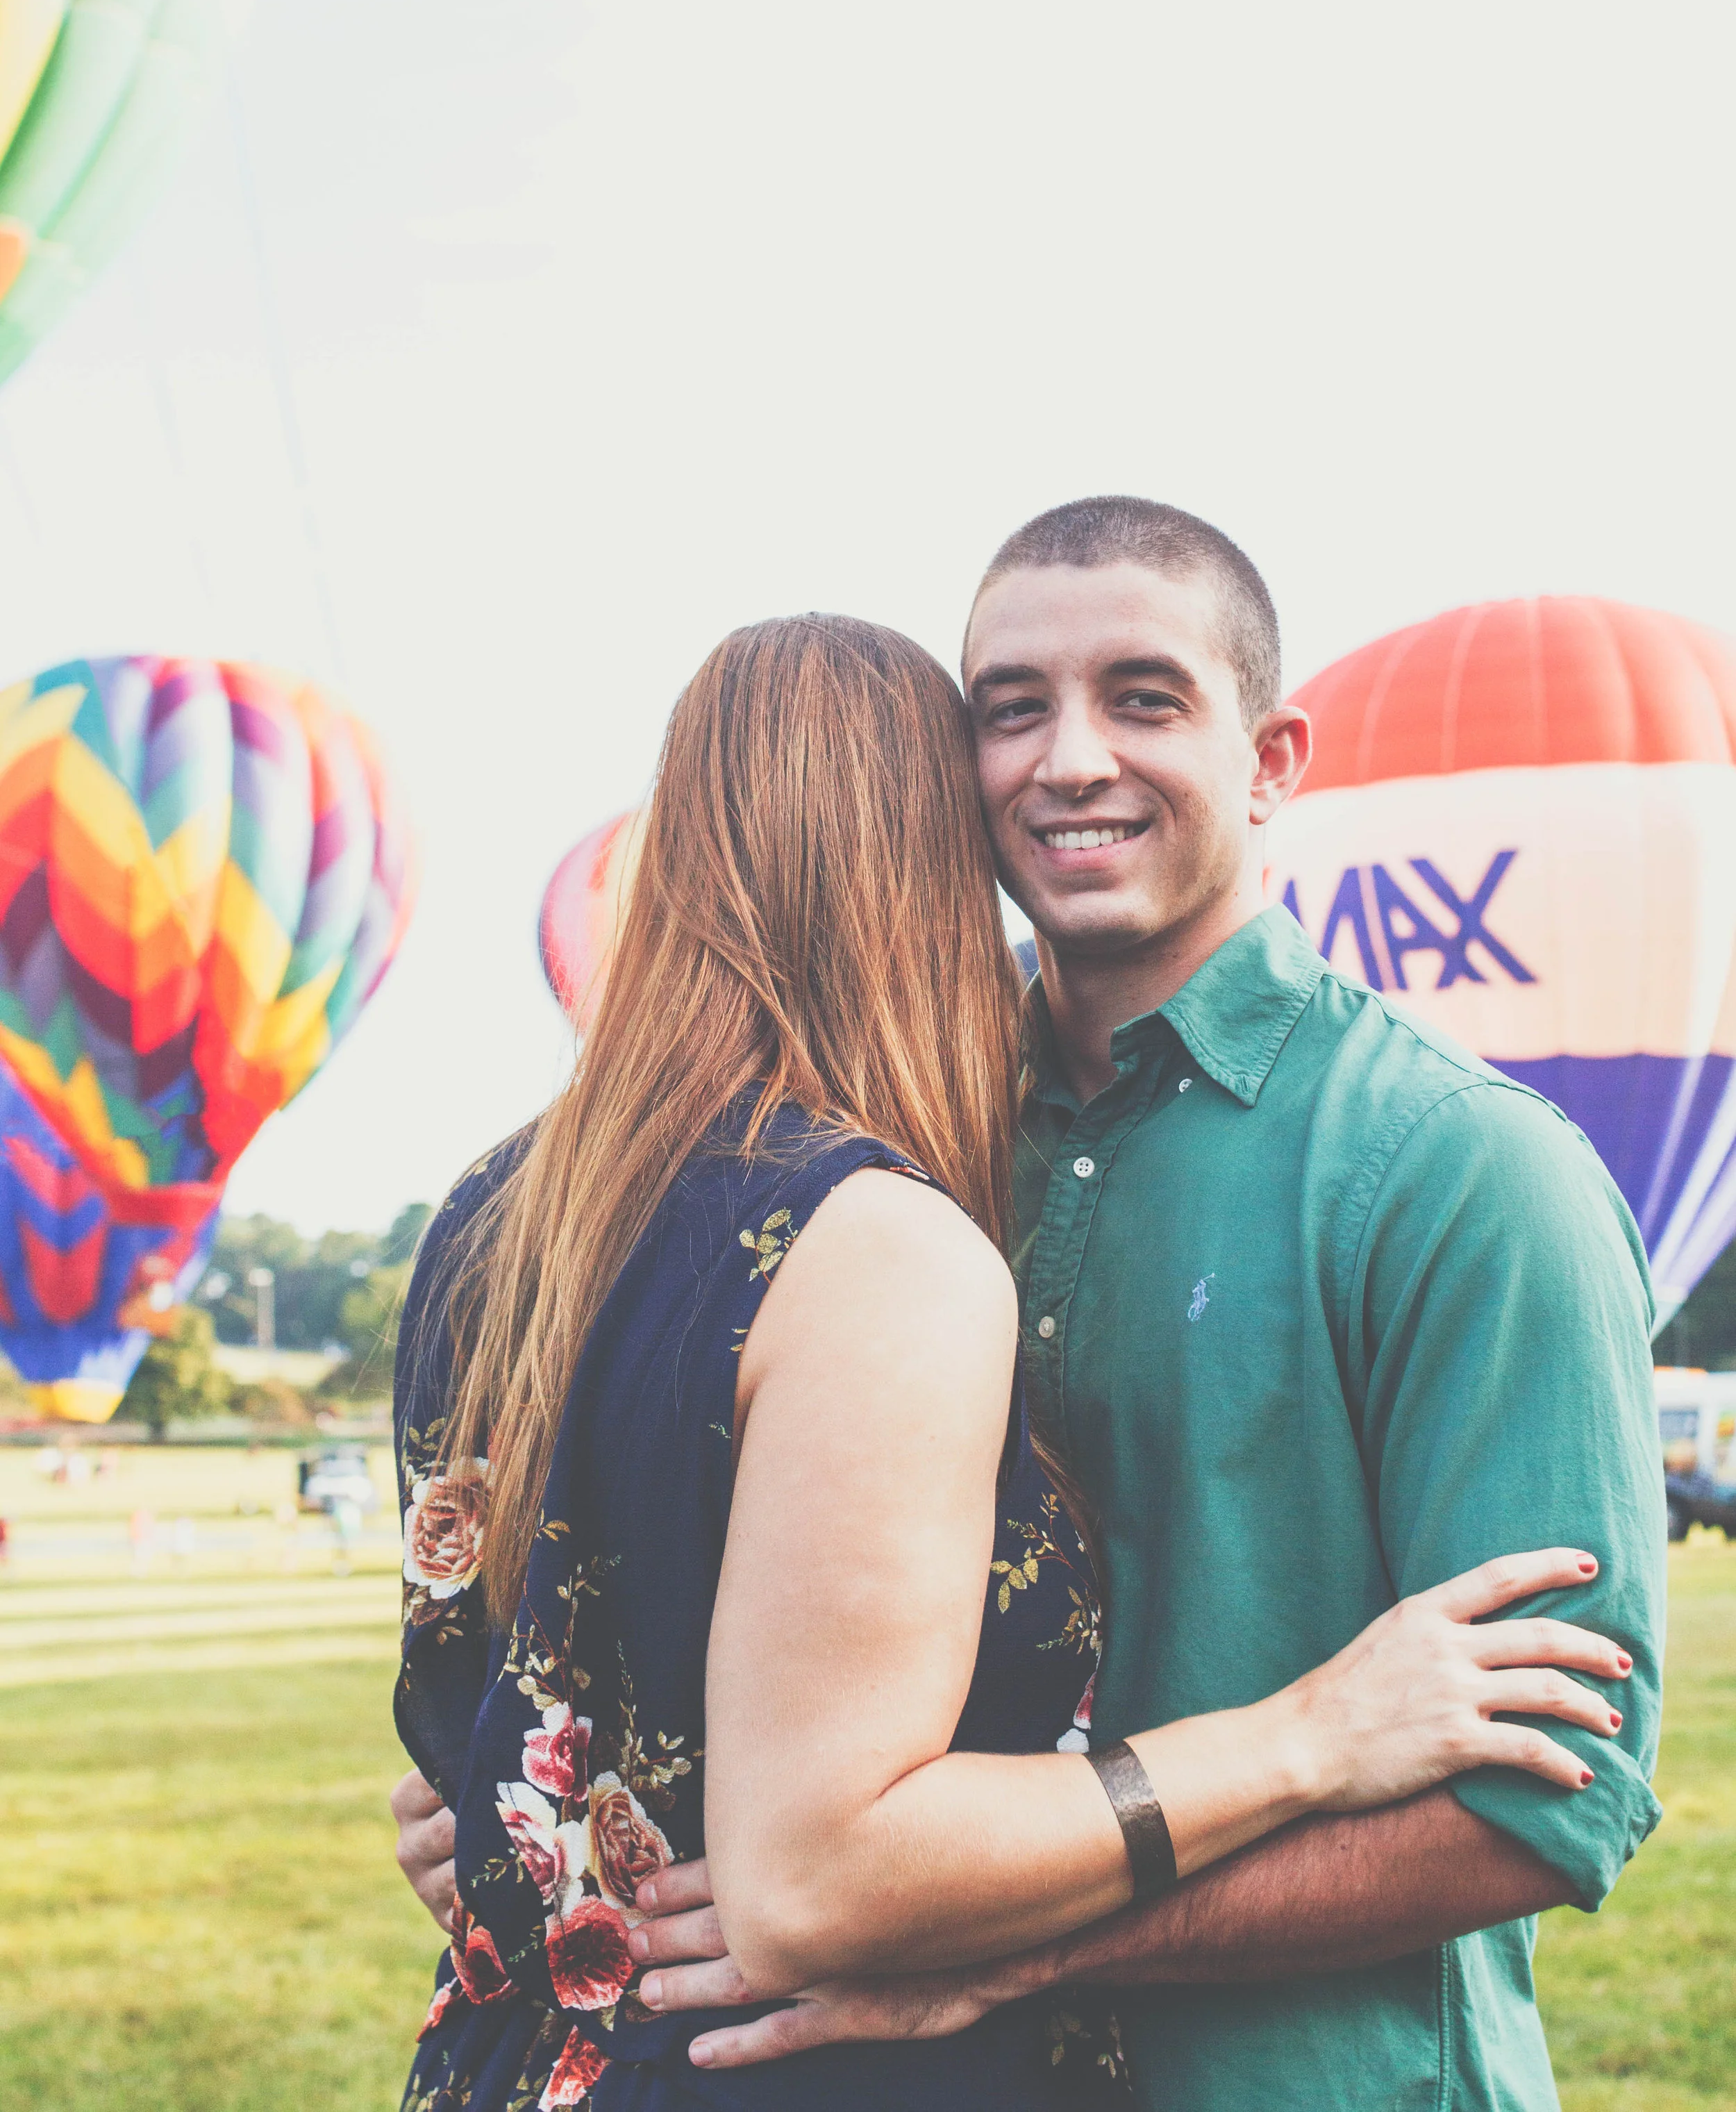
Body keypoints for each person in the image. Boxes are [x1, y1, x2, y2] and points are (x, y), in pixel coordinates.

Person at [389, 610, 1627, 2112]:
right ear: (943, 836)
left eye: (1142, 699)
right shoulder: (877, 1233)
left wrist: (533, 1830)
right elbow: (813, 1873)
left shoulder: (492, 1214)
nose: (1065, 766)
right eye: (1010, 720)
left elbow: (524, 1714)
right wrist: (1306, 1735)